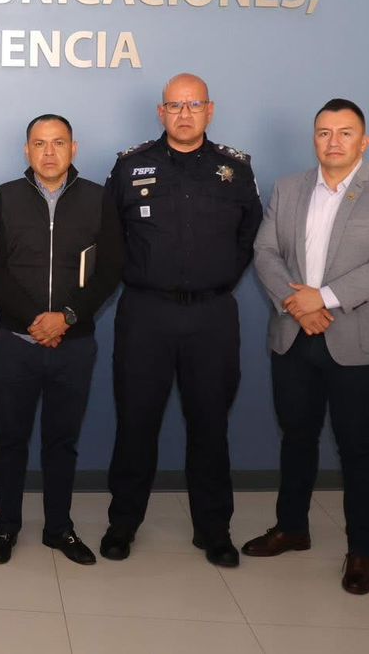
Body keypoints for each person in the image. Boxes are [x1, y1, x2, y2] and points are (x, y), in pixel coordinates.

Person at [240, 99, 369, 595]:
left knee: (356, 446)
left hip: (356, 340)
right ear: (314, 138)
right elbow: (265, 251)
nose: (333, 141)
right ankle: (291, 528)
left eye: (345, 132)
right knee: (296, 437)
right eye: (324, 132)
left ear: (364, 141)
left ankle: (361, 550)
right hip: (294, 334)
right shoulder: (289, 188)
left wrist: (324, 298)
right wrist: (299, 304)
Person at [101, 73, 261, 569]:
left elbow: (249, 237)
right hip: (145, 314)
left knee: (210, 426)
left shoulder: (235, 170)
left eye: (194, 105)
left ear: (210, 110)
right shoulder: (130, 166)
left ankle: (214, 530)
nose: (184, 114)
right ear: (161, 112)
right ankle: (122, 524)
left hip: (212, 315)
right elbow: (111, 238)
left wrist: (218, 278)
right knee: (135, 424)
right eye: (175, 105)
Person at [0, 114, 121, 566]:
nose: (49, 152)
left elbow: (110, 270)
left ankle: (59, 528)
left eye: (58, 143)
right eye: (39, 144)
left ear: (73, 149)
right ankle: (7, 525)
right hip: (15, 343)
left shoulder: (99, 199)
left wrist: (66, 318)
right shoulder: (4, 197)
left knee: (62, 441)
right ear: (27, 150)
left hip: (74, 344)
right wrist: (35, 321)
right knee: (10, 439)